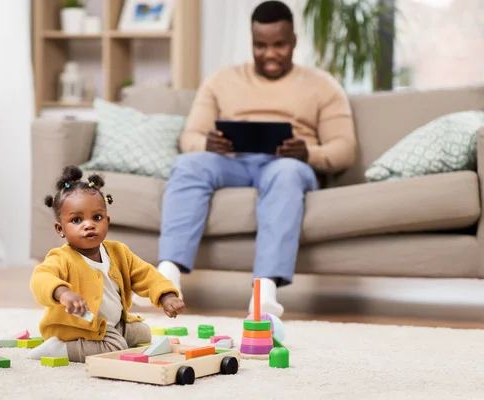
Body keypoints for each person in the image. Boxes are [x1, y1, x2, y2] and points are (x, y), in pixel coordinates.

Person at [132, 0, 357, 316]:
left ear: (293, 42)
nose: (270, 54)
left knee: (287, 174)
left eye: (279, 44)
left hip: (286, 164)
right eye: (260, 45)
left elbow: (345, 148)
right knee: (188, 163)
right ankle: (168, 274)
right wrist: (208, 143)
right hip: (232, 161)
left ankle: (265, 290)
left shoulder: (323, 86)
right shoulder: (222, 80)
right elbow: (189, 137)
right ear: (251, 43)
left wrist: (308, 152)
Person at [28, 165, 185, 363]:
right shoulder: (61, 258)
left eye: (97, 217)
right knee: (114, 346)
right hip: (79, 325)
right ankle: (59, 348)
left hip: (110, 323)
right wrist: (63, 293)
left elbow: (146, 275)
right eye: (76, 220)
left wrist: (166, 296)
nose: (89, 224)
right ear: (60, 229)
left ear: (107, 221)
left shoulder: (119, 252)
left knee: (143, 333)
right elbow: (41, 278)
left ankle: (111, 337)